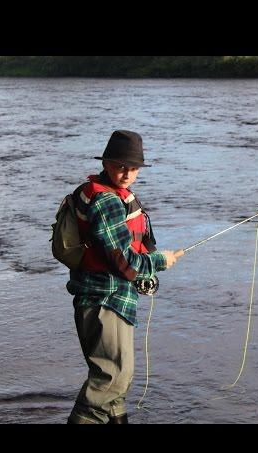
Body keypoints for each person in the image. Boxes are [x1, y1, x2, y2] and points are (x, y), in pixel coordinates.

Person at [66, 130, 183, 424]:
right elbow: (124, 260)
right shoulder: (105, 201)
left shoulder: (115, 194)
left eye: (133, 168)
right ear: (106, 163)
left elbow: (128, 256)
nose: (127, 174)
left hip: (113, 297)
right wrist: (159, 262)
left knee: (117, 384)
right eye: (120, 166)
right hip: (104, 300)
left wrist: (145, 274)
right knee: (112, 378)